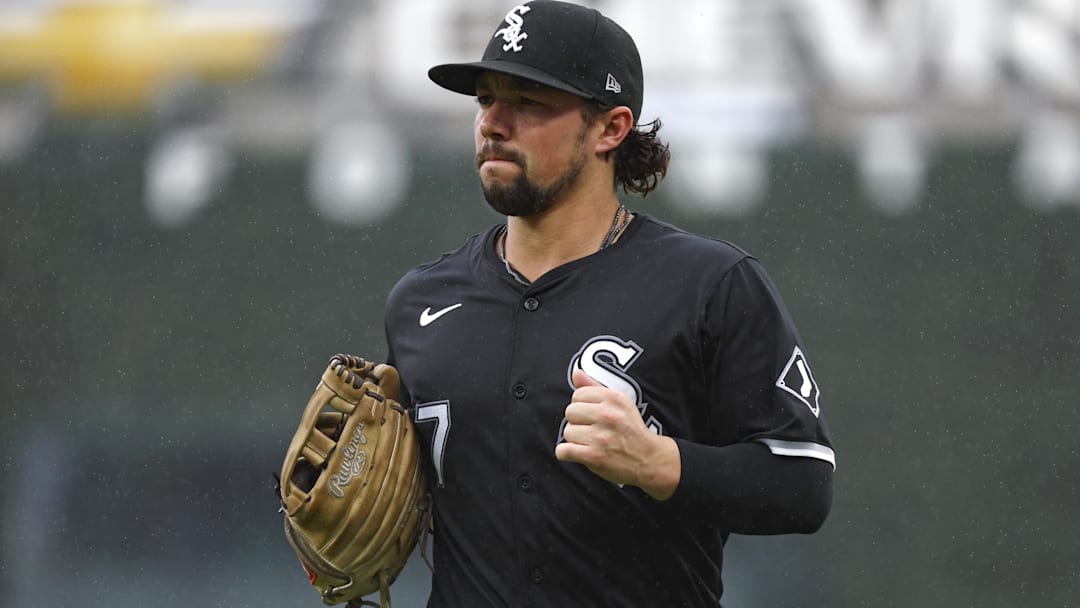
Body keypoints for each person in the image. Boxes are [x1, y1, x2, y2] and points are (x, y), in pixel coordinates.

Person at [383, 1, 835, 605]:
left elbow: (802, 484)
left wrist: (659, 463)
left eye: (529, 102)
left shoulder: (710, 285)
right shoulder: (421, 302)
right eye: (486, 98)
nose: (493, 122)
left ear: (611, 128)